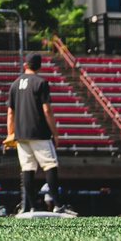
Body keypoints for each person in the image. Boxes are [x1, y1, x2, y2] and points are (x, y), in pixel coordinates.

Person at [6, 54, 73, 215]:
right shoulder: (41, 82)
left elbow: (10, 113)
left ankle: (30, 206)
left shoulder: (15, 84)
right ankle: (57, 204)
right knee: (50, 165)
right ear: (39, 66)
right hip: (39, 132)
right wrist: (55, 133)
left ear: (25, 65)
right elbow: (47, 110)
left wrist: (10, 134)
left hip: (21, 134)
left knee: (27, 168)